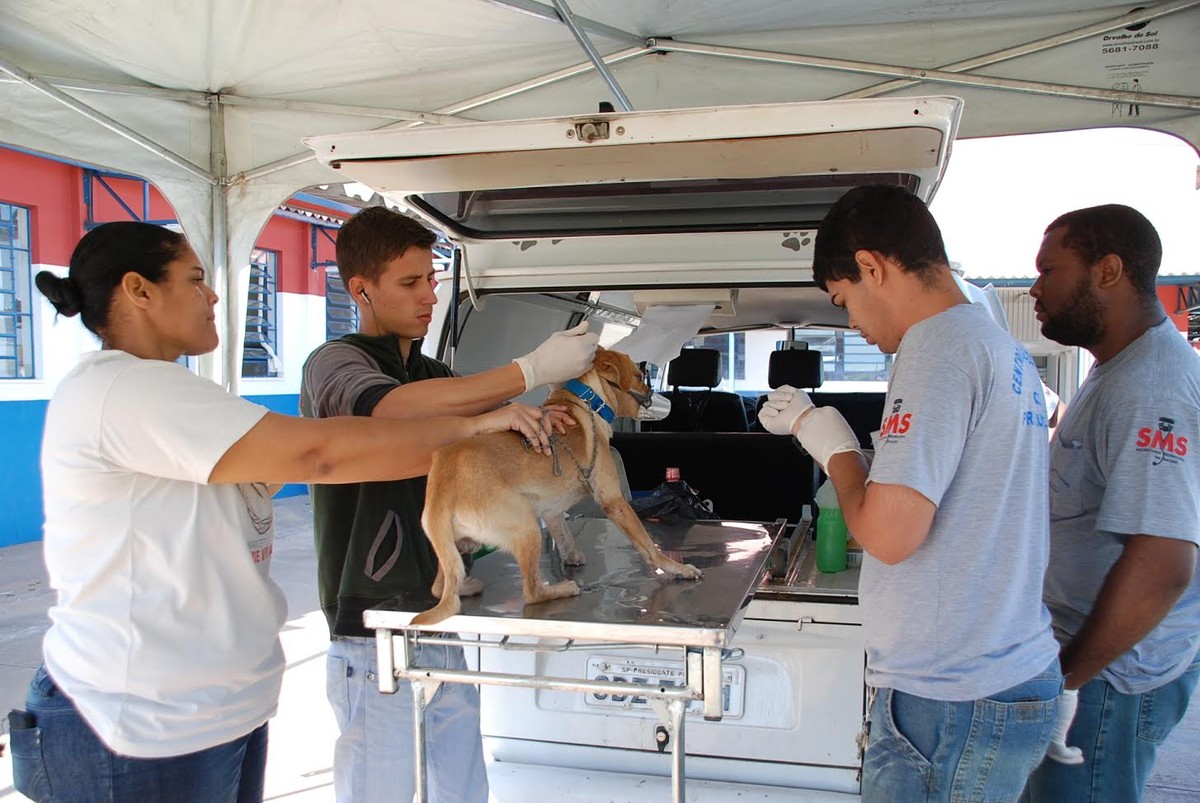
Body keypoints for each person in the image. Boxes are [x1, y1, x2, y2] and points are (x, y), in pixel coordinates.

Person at [7, 221, 568, 803]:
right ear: (139, 290)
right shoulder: (123, 390)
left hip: (208, 710)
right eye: (196, 279)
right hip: (135, 719)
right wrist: (486, 413)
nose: (215, 295)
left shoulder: (181, 397)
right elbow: (319, 453)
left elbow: (295, 462)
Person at [758, 184, 1061, 801]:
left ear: (873, 267)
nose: (852, 323)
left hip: (951, 699)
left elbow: (890, 535)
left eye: (845, 300)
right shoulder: (998, 347)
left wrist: (835, 449)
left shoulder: (937, 349)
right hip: (995, 673)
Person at [300, 206, 598, 803]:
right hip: (373, 621)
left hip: (441, 604)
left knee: (460, 786)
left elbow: (471, 446)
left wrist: (540, 423)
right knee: (378, 789)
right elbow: (391, 412)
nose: (428, 296)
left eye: (431, 280)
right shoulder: (335, 363)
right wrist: (526, 373)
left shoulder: (435, 372)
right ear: (360, 289)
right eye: (409, 283)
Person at [1023, 205, 1200, 802]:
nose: (1035, 289)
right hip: (1091, 664)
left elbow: (1162, 565)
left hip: (1109, 679)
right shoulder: (1116, 368)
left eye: (1050, 271)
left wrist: (1067, 680)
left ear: (1108, 271)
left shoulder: (1149, 388)